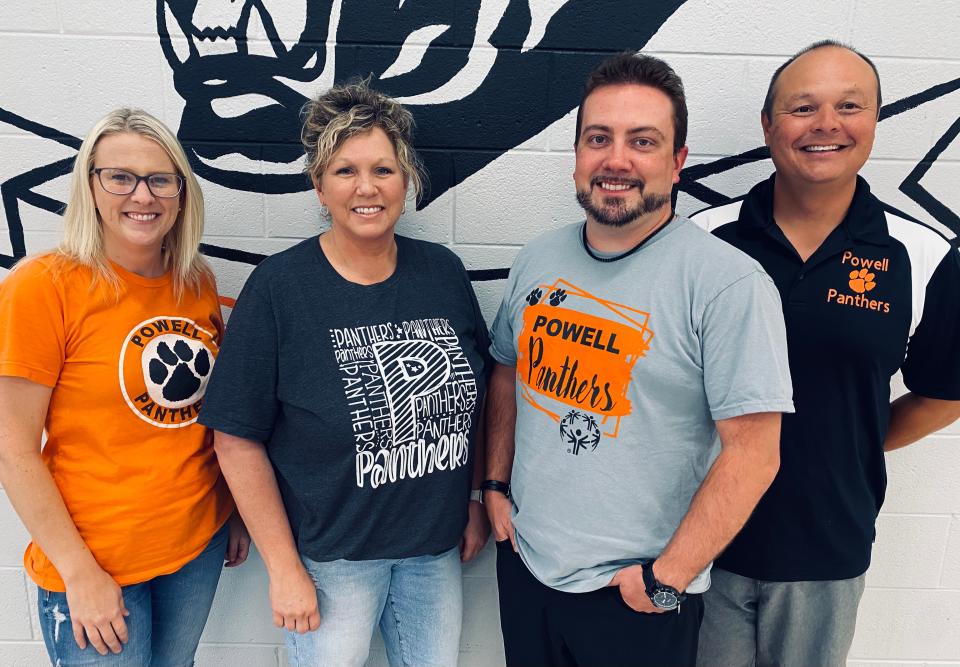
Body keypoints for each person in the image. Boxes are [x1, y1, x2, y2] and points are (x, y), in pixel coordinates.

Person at [482, 52, 795, 667]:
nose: (616, 160)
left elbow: (755, 451)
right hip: (528, 567)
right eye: (598, 138)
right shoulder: (538, 258)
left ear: (677, 162)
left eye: (642, 141)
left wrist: (665, 578)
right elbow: (506, 367)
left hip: (635, 595)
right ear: (576, 154)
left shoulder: (728, 284)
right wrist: (494, 484)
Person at [198, 81, 491, 667]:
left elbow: (480, 393)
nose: (366, 188)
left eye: (383, 169)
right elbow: (234, 438)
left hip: (433, 552)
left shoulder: (442, 272)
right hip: (332, 561)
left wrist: (477, 498)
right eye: (344, 171)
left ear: (406, 182)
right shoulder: (281, 288)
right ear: (318, 185)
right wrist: (283, 568)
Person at [693, 41, 960, 667]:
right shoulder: (703, 241)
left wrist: (854, 439)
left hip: (825, 551)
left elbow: (943, 394)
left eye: (849, 105)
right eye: (802, 107)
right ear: (768, 125)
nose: (826, 124)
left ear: (874, 121)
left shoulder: (919, 254)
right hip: (702, 542)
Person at [0, 108, 249, 667]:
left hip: (195, 544)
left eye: (161, 179)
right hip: (96, 561)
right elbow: (12, 448)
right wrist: (78, 571)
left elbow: (208, 416)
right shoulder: (42, 288)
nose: (143, 195)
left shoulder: (196, 282)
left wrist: (230, 508)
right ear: (90, 185)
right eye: (120, 177)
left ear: (182, 194)